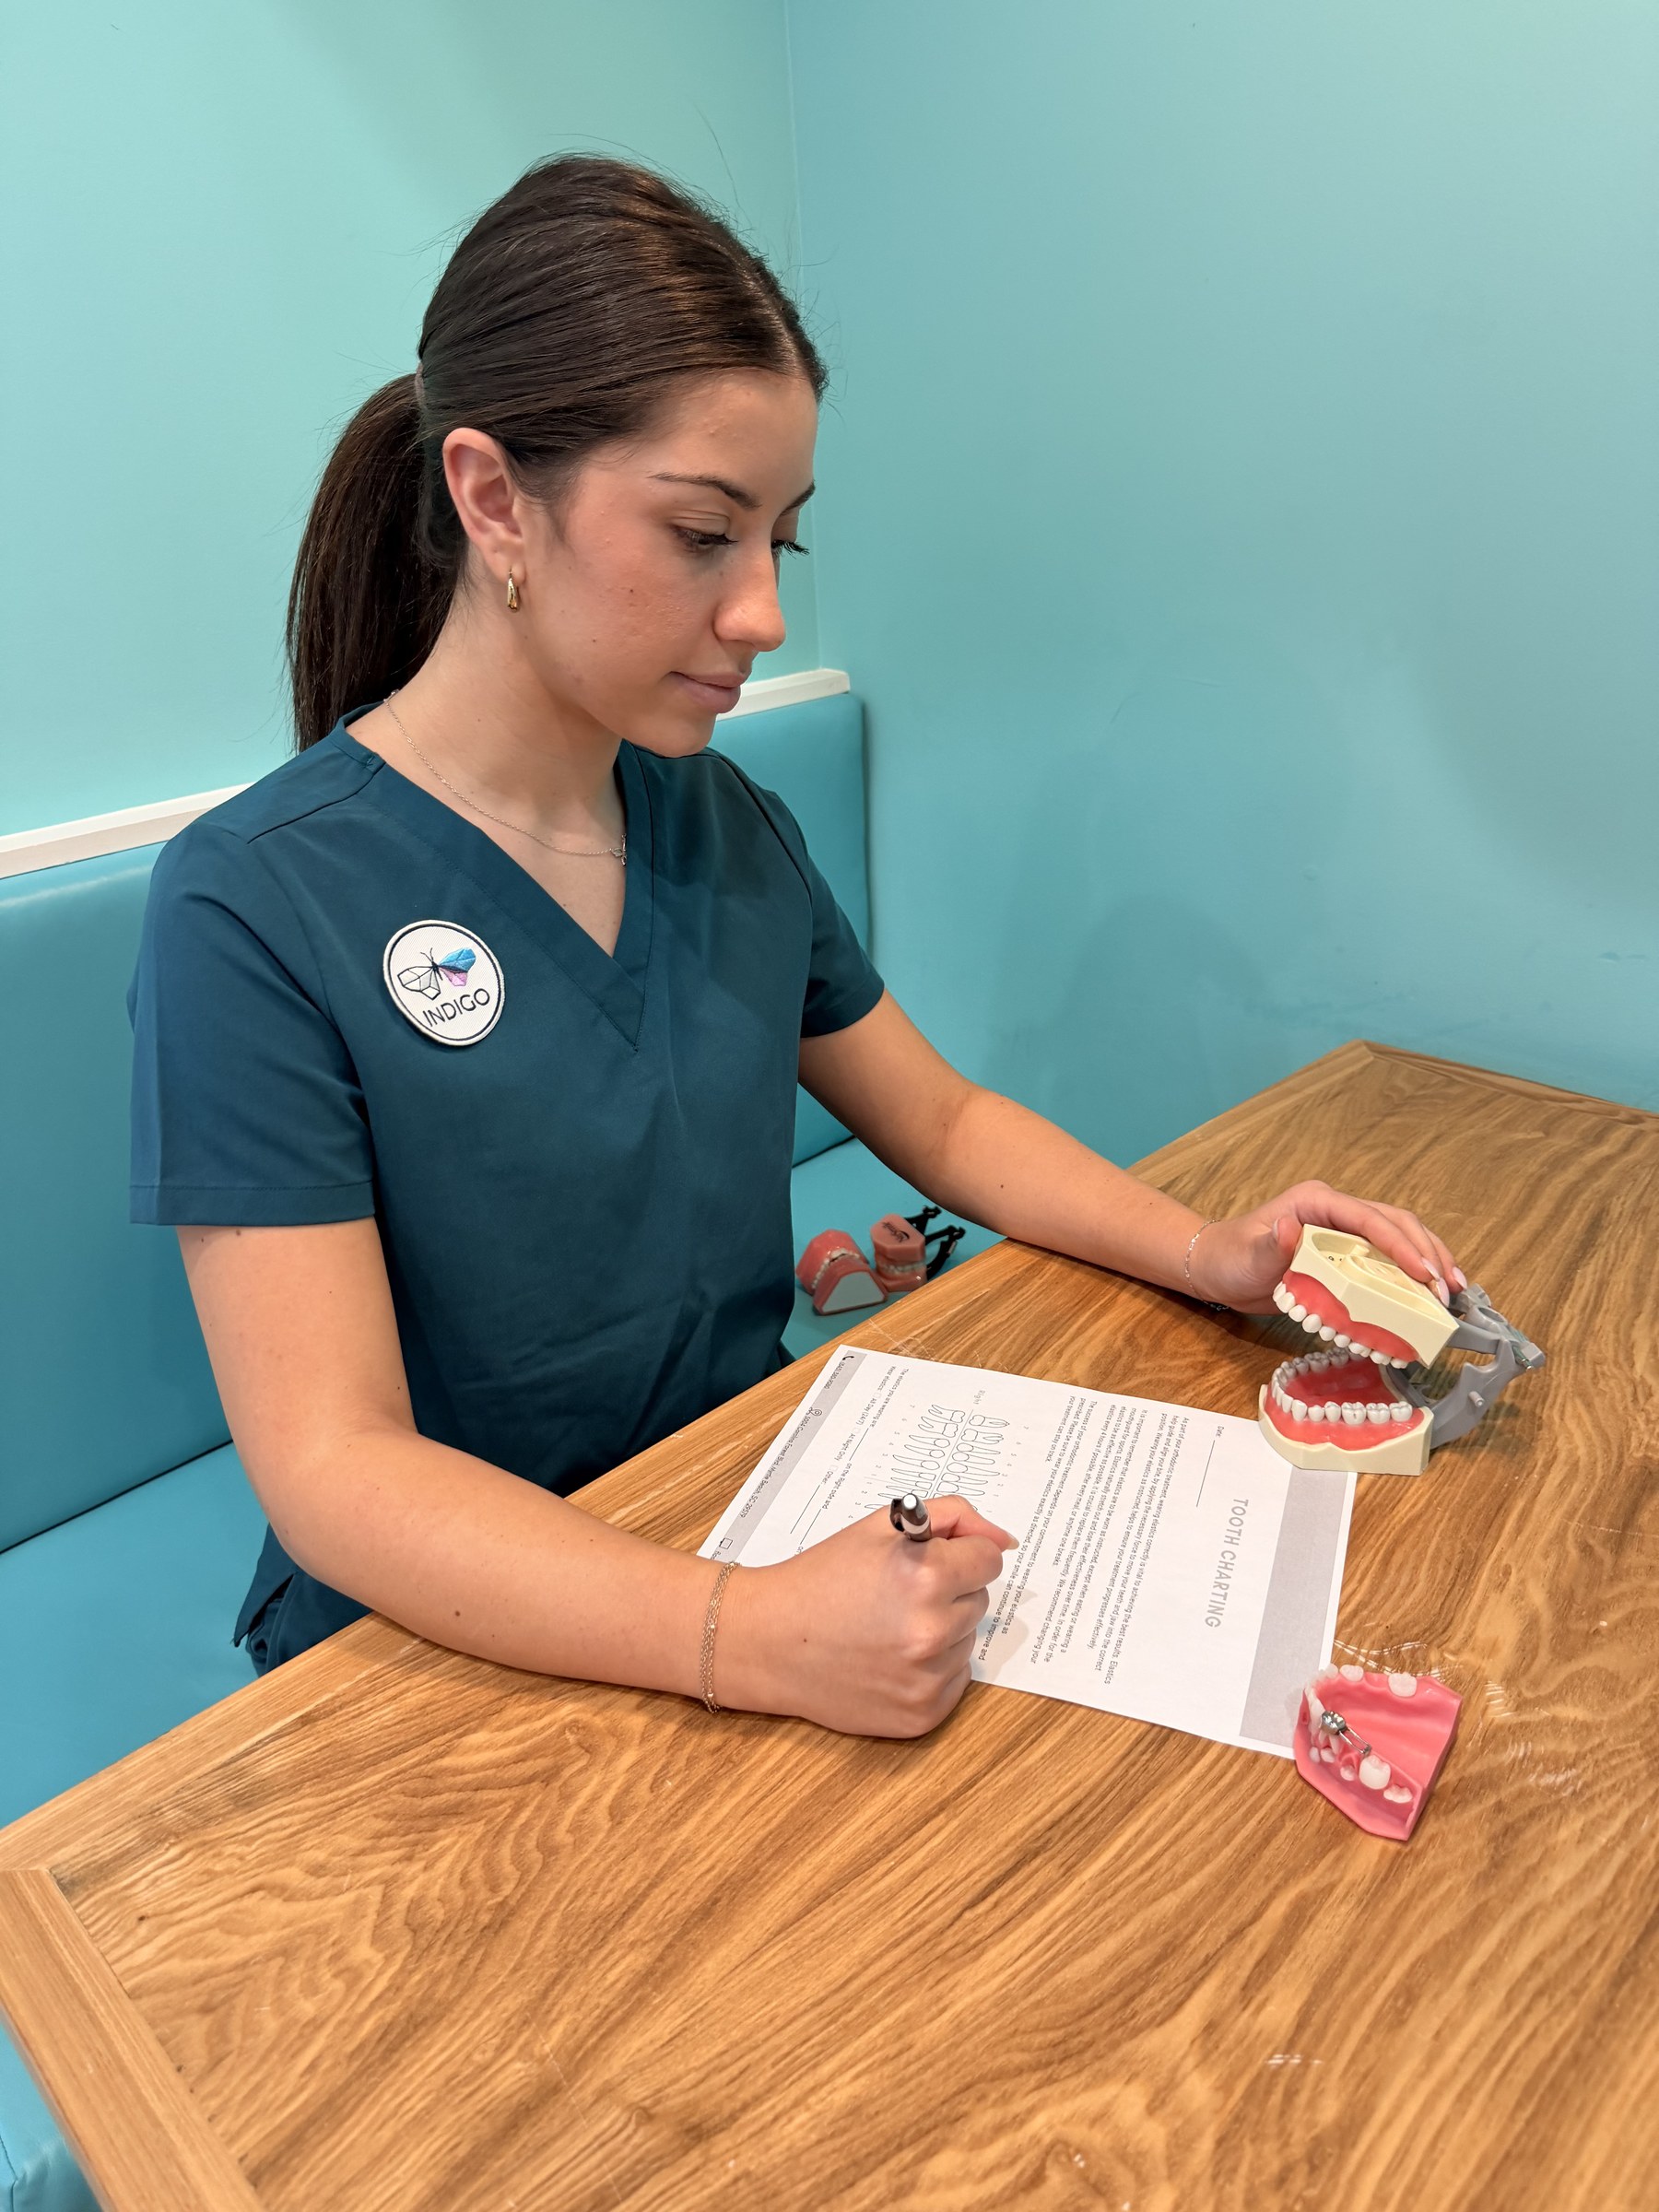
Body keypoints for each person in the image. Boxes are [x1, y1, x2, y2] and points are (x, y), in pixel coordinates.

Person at [130, 156, 1463, 1738]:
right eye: (704, 532)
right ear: (492, 501)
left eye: (784, 542)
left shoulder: (721, 822)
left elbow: (944, 1119)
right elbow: (334, 1466)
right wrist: (745, 1633)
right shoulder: (254, 905)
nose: (763, 612)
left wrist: (1208, 1253)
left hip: (736, 1523)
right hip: (440, 1654)